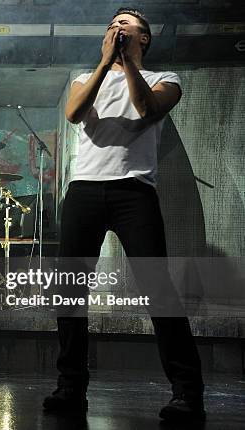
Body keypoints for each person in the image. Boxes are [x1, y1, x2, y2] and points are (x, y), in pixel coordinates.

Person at [42, 7, 205, 421]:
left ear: (144, 39)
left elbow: (147, 109)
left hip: (135, 192)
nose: (118, 29)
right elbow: (75, 113)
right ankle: (70, 386)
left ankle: (187, 391)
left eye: (127, 26)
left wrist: (129, 63)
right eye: (113, 25)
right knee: (70, 289)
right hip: (84, 190)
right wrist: (103, 63)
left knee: (158, 289)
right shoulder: (85, 77)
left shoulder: (164, 80)